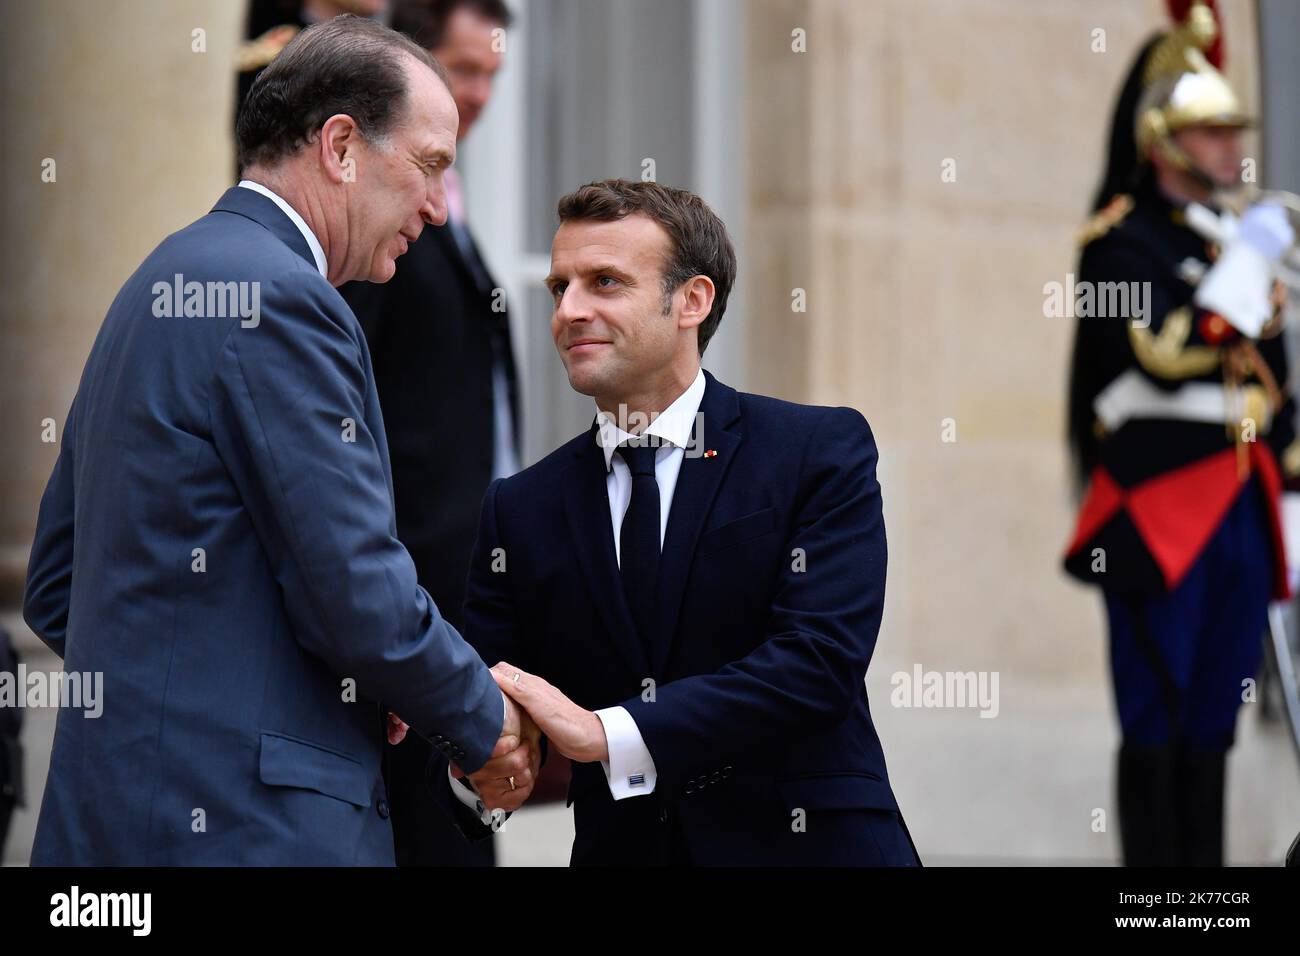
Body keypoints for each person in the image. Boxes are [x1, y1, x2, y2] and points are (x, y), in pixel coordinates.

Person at [22, 16, 528, 866]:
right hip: (249, 832)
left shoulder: (158, 279)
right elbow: (356, 593)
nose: (437, 206)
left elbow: (57, 583)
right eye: (430, 165)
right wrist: (483, 717)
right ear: (340, 146)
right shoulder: (285, 301)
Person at [433, 179, 920, 866]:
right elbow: (488, 698)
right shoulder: (519, 507)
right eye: (559, 287)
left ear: (692, 301)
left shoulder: (815, 450)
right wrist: (479, 768)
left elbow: (818, 663)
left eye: (604, 282)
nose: (569, 310)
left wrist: (608, 732)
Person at [1063, 0, 1296, 866]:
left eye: (1236, 130)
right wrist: (1242, 272)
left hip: (1242, 502)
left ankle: (1209, 902)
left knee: (1215, 725)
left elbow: (1277, 382)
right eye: (1214, 132)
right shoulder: (1120, 245)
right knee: (1158, 718)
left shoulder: (1237, 236)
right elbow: (1163, 352)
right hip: (1159, 505)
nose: (1234, 148)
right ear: (1163, 139)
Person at [339, 0, 518, 868]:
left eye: (493, 73)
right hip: (405, 598)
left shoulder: (457, 199)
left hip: (455, 591)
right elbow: (344, 396)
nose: (480, 93)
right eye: (463, 70)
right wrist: (387, 598)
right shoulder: (375, 219)